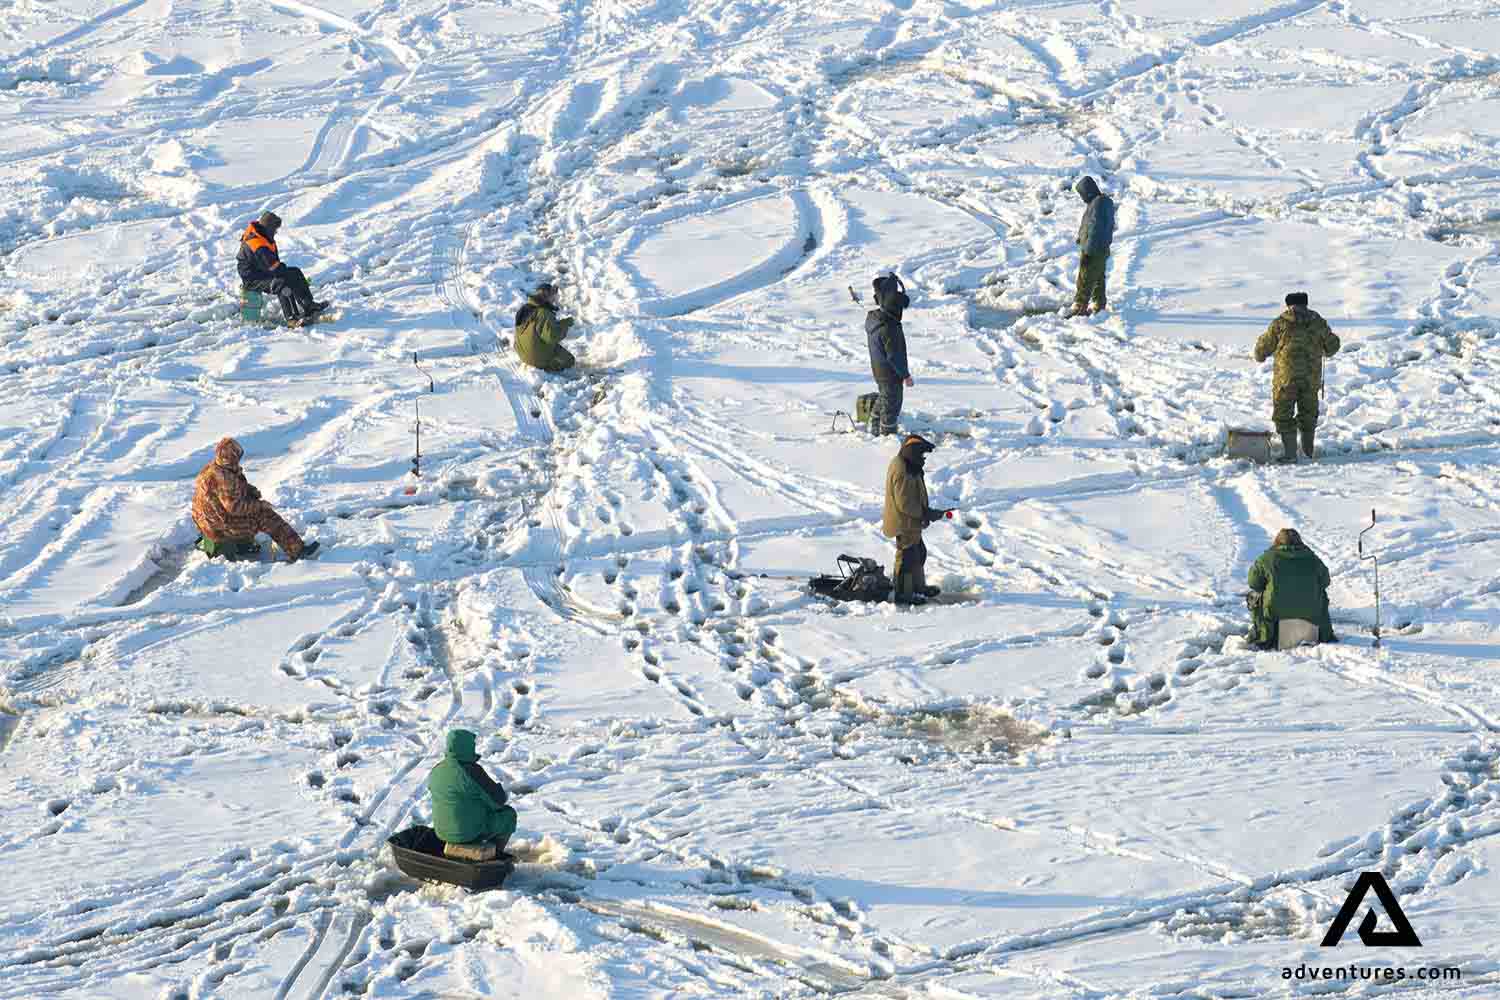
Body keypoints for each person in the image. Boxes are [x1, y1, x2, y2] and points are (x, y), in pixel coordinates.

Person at [192, 437, 318, 562]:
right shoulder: (225, 478)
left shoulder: (213, 467)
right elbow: (234, 508)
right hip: (219, 527)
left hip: (206, 520)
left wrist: (249, 490)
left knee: (255, 506)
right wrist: (260, 505)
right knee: (265, 516)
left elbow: (231, 490)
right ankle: (297, 550)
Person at [1254, 291, 1341, 462]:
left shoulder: (1280, 323)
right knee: (1308, 415)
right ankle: (1308, 453)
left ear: (1288, 305)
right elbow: (1333, 346)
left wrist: (1262, 354)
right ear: (1306, 304)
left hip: (1285, 380)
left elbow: (1260, 351)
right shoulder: (1318, 322)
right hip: (1310, 379)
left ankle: (1290, 454)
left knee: (1283, 415)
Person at [882, 434, 949, 605]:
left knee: (919, 553)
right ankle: (903, 593)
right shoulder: (903, 470)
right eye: (921, 455)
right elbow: (905, 503)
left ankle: (918, 587)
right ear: (912, 452)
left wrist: (926, 513)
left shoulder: (909, 465)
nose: (923, 459)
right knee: (906, 558)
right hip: (904, 523)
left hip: (911, 523)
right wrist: (927, 513)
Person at [427, 729, 517, 853]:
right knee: (508, 815)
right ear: (467, 747)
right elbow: (498, 801)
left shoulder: (437, 769)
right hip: (468, 834)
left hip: (441, 832)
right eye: (473, 745)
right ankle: (492, 854)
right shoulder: (472, 771)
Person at [1247, 528, 1336, 649]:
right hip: (1311, 612)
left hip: (1275, 613)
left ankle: (1264, 634)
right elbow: (1325, 582)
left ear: (1277, 542)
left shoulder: (1266, 558)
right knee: (1321, 593)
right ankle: (1319, 632)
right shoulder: (1312, 558)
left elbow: (1254, 583)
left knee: (1254, 595)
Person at [237, 210, 328, 324]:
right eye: (275, 229)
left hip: (263, 272)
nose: (276, 232)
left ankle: (309, 305)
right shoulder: (258, 244)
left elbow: (273, 265)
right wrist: (283, 271)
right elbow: (273, 267)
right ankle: (292, 318)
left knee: (295, 272)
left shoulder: (262, 236)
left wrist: (285, 271)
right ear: (268, 228)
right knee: (281, 283)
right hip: (253, 279)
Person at [865, 272, 913, 436]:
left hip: (879, 368)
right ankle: (888, 435)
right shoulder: (889, 328)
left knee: (885, 396)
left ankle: (875, 424)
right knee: (892, 403)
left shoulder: (875, 318)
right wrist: (905, 375)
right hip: (889, 371)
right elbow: (895, 356)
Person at [1068, 176, 1116, 317]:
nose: (1082, 198)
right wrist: (1082, 238)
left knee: (1086, 277)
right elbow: (1092, 226)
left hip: (1093, 248)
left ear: (1087, 191)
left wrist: (1088, 248)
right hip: (1099, 246)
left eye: (1082, 194)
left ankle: (1080, 307)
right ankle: (1098, 304)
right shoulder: (1101, 202)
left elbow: (1095, 227)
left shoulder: (1098, 204)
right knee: (1098, 276)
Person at [514, 282, 576, 372]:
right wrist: (566, 324)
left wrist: (560, 323)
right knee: (569, 360)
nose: (554, 299)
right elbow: (552, 337)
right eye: (552, 296)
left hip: (521, 352)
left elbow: (539, 325)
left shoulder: (526, 308)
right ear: (547, 296)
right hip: (534, 358)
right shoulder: (544, 313)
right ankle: (546, 368)